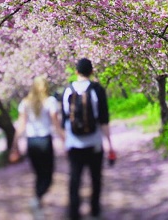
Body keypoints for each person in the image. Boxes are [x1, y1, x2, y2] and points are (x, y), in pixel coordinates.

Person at [61, 58, 114, 220]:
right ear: (91, 72)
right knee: (95, 178)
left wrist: (65, 142)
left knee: (75, 179)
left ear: (76, 72)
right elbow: (104, 120)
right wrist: (110, 145)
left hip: (74, 144)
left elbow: (65, 120)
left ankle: (74, 213)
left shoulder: (67, 90)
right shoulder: (97, 90)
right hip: (94, 142)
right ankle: (95, 210)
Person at [13, 75, 65, 214]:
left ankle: (38, 205)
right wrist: (64, 139)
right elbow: (56, 124)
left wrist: (15, 144)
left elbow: (20, 126)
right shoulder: (50, 101)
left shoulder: (25, 103)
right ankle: (37, 199)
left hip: (31, 142)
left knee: (39, 175)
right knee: (47, 176)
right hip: (44, 141)